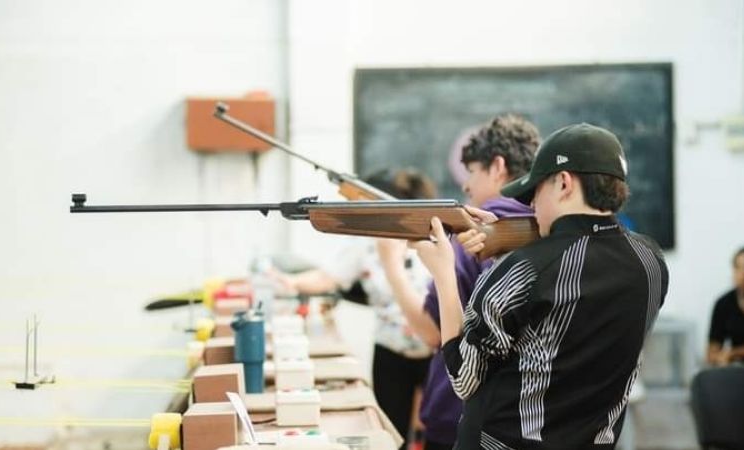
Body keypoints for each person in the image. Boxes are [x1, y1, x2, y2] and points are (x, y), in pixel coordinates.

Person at [413, 123, 669, 449]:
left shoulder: (523, 270)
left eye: (535, 191)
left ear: (563, 183)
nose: (531, 204)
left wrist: (443, 273)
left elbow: (464, 378)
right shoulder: (651, 262)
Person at [376, 113, 541, 450]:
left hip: (460, 418)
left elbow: (431, 331)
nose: (466, 186)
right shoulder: (547, 230)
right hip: (519, 423)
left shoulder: (475, 238)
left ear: (497, 167)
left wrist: (391, 265)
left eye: (472, 172)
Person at [272, 168, 435, 449]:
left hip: (436, 349)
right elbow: (328, 277)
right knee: (390, 430)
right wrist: (290, 282)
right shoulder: (366, 242)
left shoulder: (429, 235)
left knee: (438, 431)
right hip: (390, 348)